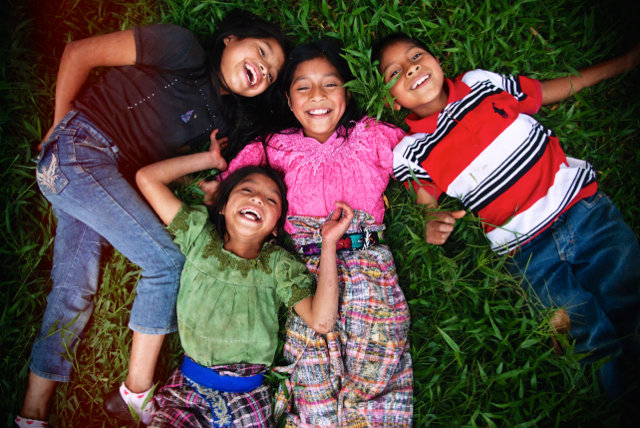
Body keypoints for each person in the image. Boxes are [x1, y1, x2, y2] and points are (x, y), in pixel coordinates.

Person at [21, 10, 289, 427]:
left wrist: (210, 167)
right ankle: (138, 392)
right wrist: (58, 131)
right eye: (262, 51)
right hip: (81, 149)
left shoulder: (220, 120)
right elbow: (78, 54)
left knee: (74, 288)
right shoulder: (180, 47)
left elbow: (157, 167)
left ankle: (31, 414)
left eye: (271, 74)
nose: (264, 69)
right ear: (230, 39)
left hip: (98, 174)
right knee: (166, 262)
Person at [373, 33, 640, 400]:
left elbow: (543, 92)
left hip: (583, 211)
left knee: (630, 294)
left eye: (416, 55)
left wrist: (619, 66)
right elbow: (426, 203)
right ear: (391, 99)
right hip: (527, 255)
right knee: (587, 342)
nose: (411, 67)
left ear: (436, 59)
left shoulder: (480, 83)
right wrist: (433, 223)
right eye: (394, 72)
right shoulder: (409, 151)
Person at [223, 41, 413, 427]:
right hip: (305, 274)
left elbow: (424, 160)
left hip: (369, 267)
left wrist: (432, 205)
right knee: (311, 386)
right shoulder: (274, 148)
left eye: (330, 84)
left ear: (347, 90)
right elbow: (230, 189)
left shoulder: (371, 135)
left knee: (376, 377)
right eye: (303, 87)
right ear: (289, 101)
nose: (318, 97)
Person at [136, 131, 353, 427]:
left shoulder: (277, 265)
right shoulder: (198, 235)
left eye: (270, 199)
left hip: (246, 403)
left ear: (277, 227)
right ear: (223, 207)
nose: (256, 199)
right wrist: (210, 160)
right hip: (186, 394)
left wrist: (328, 244)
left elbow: (322, 321)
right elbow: (147, 179)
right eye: (246, 190)